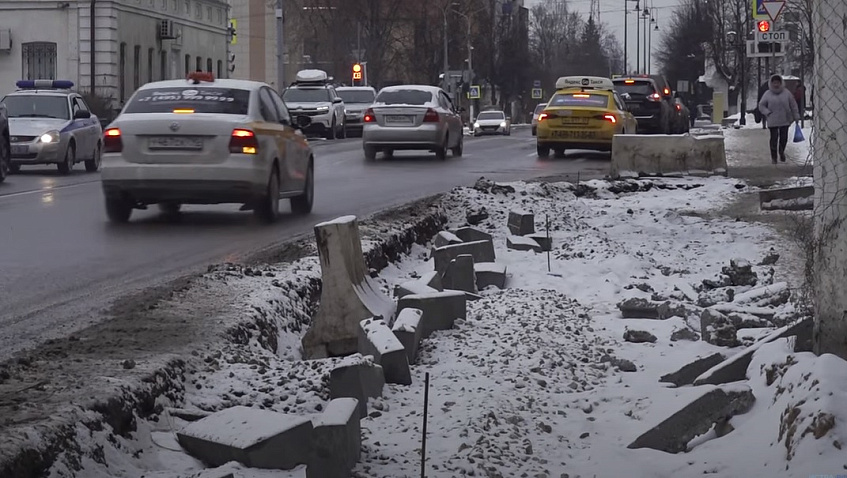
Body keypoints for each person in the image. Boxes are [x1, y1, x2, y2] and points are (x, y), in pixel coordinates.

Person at [758, 74, 800, 164]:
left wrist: (796, 116)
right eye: (774, 83)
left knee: (783, 138)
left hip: (785, 118)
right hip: (772, 119)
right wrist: (767, 112)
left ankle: (781, 152)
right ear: (771, 83)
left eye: (778, 83)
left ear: (781, 83)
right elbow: (761, 105)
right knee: (774, 138)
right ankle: (774, 157)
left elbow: (793, 105)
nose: (776, 85)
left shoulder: (786, 93)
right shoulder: (767, 94)